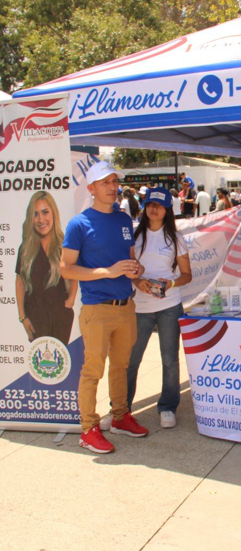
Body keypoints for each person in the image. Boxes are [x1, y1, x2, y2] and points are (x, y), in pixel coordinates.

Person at [60, 161, 149, 454]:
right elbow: (66, 269)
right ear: (92, 188)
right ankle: (88, 429)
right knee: (93, 370)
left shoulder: (124, 220)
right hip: (97, 308)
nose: (113, 188)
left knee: (121, 366)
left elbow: (131, 257)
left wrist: (136, 270)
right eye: (106, 183)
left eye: (115, 182)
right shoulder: (79, 223)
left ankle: (120, 417)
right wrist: (107, 272)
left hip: (126, 306)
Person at [126, 187, 191, 428]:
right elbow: (126, 269)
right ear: (144, 207)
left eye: (159, 205)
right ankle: (121, 408)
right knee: (131, 360)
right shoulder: (134, 235)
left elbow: (187, 275)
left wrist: (170, 283)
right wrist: (136, 282)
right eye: (150, 204)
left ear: (167, 211)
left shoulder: (175, 238)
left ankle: (167, 407)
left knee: (169, 359)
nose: (154, 208)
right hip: (139, 307)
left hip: (169, 306)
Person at [16, 191, 77, 345]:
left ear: (54, 214)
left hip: (61, 316)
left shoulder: (65, 244)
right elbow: (20, 282)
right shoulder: (25, 249)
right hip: (35, 317)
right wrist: (23, 317)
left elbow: (74, 273)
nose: (41, 219)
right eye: (35, 214)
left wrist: (71, 299)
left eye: (45, 212)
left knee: (60, 365)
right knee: (41, 366)